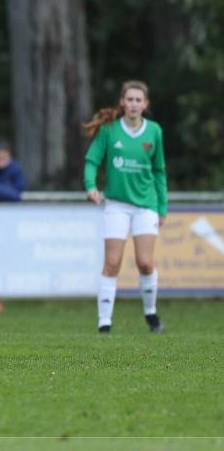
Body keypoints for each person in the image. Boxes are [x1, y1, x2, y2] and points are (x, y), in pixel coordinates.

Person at [83, 80, 167, 334]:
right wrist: (90, 186)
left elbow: (159, 171)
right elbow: (91, 160)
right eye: (129, 99)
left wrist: (162, 207)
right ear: (123, 102)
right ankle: (104, 323)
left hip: (146, 205)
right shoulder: (109, 130)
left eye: (138, 100)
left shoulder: (154, 131)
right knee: (112, 262)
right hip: (117, 204)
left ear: (145, 104)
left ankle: (151, 315)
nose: (133, 104)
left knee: (144, 262)